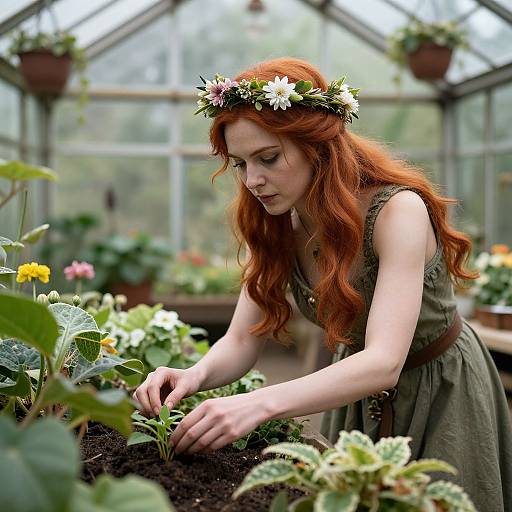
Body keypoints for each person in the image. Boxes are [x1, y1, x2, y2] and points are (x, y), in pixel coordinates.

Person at [133, 57, 512, 510]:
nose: (253, 180)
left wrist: (257, 404)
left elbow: (384, 362)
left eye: (268, 158)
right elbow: (240, 339)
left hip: (439, 394)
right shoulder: (275, 226)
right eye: (240, 164)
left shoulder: (396, 213)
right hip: (350, 394)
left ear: (317, 146)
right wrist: (194, 375)